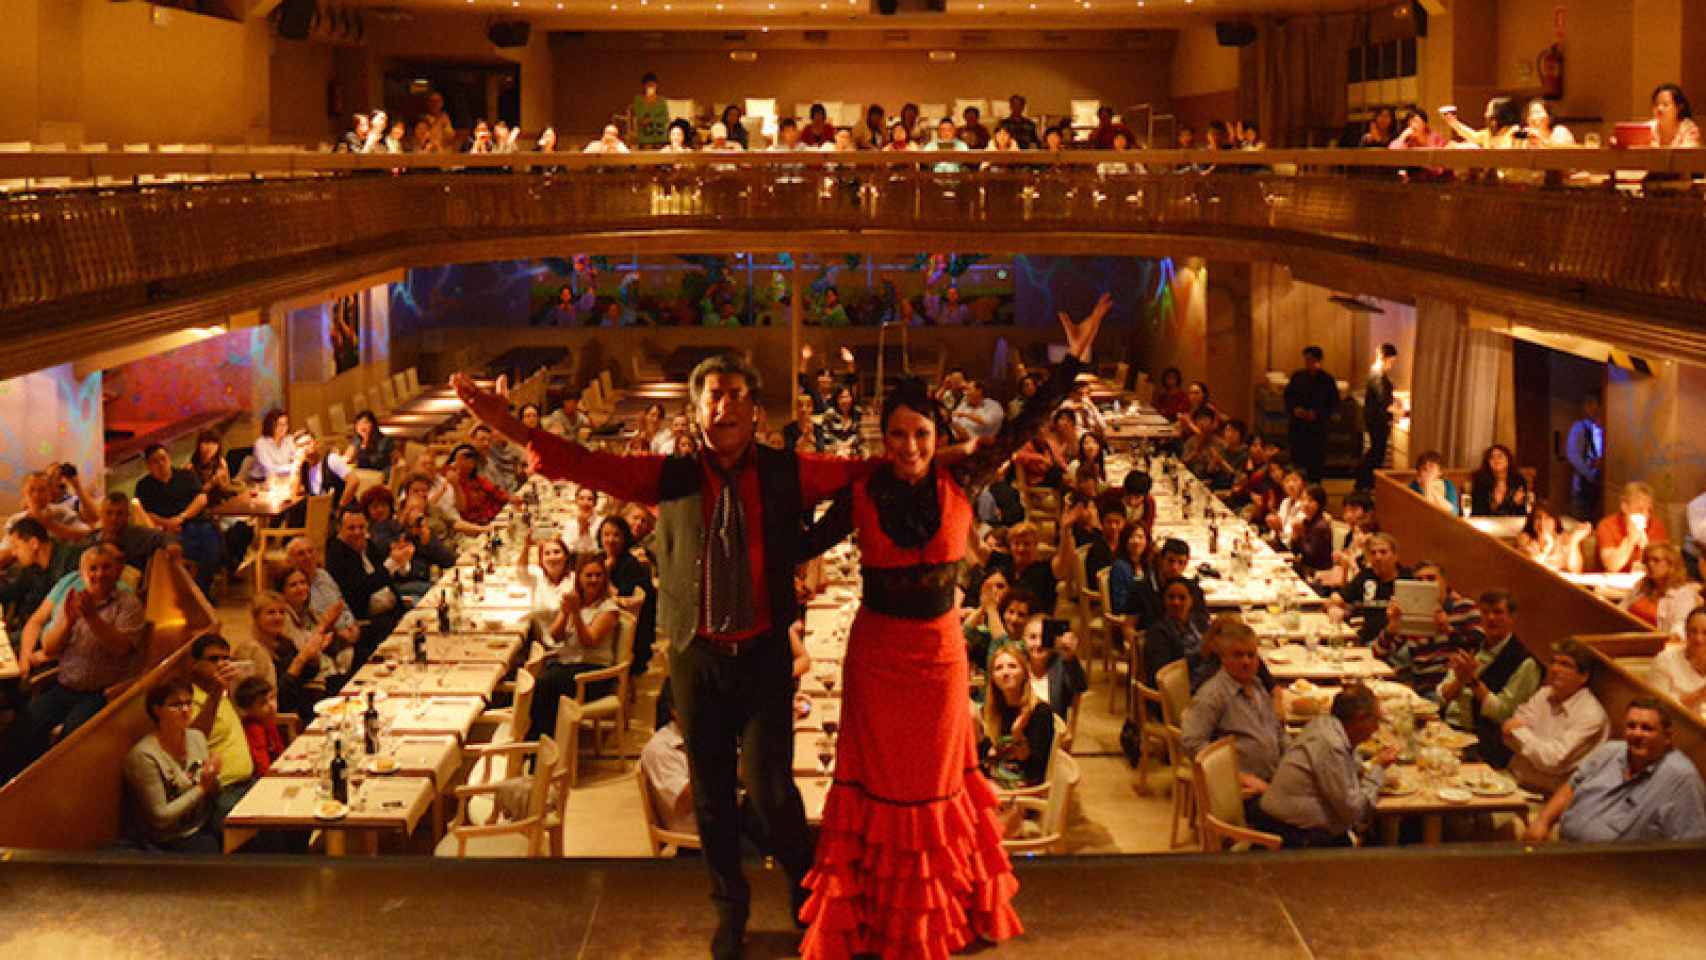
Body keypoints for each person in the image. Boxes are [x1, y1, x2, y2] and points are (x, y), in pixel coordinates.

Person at [454, 347, 898, 958]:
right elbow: (587, 465)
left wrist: (932, 456)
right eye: (714, 394)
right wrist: (509, 427)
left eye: (738, 394)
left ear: (755, 410)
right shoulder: (671, 476)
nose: (727, 404)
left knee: (770, 788)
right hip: (698, 657)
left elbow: (865, 474)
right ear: (696, 410)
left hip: (765, 654)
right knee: (712, 795)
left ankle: (806, 888)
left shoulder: (786, 471)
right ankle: (730, 908)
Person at [791, 302, 1105, 958]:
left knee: (933, 786)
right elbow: (804, 542)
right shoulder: (863, 491)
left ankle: (935, 919)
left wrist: (1072, 363)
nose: (909, 448)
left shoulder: (964, 477)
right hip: (875, 661)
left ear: (938, 439)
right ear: (884, 438)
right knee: (876, 785)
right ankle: (872, 920)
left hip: (936, 660)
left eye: (921, 437)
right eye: (899, 436)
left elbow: (1026, 425)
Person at [0, 545, 145, 781]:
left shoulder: (129, 605)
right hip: (64, 686)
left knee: (70, 743)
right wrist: (67, 621)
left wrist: (91, 617)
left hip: (101, 693)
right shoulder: (72, 599)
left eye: (106, 568)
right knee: (22, 729)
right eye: (93, 568)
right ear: (82, 573)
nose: (99, 574)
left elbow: (121, 648)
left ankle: (58, 788)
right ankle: (15, 788)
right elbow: (50, 647)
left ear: (117, 571)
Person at [1524, 698, 1706, 843]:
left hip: (1621, 874)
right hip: (1565, 848)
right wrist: (1543, 821)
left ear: (1667, 737)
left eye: (1647, 728)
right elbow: (1572, 786)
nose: (1637, 734)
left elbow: (1689, 847)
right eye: (1631, 726)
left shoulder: (1681, 778)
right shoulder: (1609, 751)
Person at [1257, 684, 1394, 847]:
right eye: (1375, 720)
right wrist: (1378, 769)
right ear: (1360, 718)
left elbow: (1350, 771)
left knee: (1371, 832)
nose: (1376, 728)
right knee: (1374, 840)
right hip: (1291, 836)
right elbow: (1354, 812)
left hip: (1292, 825)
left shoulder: (1325, 724)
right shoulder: (1331, 745)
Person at [1182, 622, 1286, 809]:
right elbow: (1193, 743)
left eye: (1251, 655)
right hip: (1241, 793)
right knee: (1312, 823)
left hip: (1273, 782)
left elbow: (1278, 733)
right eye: (1238, 655)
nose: (1246, 661)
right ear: (1223, 658)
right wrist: (1239, 777)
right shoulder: (1212, 695)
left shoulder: (1258, 686)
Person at [1439, 590, 1540, 767]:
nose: (1491, 618)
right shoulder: (1473, 646)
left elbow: (1503, 714)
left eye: (1498, 612)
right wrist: (1459, 681)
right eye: (1485, 612)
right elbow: (1442, 696)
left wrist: (1473, 681)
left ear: (1512, 617)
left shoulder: (1525, 662)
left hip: (1485, 746)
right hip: (1449, 731)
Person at [529, 554, 622, 742]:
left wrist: (577, 614)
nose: (594, 580)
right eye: (588, 576)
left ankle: (542, 745)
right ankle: (541, 741)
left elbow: (590, 641)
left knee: (545, 685)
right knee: (539, 682)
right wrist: (565, 613)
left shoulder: (608, 609)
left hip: (593, 674)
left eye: (598, 575)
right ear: (579, 578)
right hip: (570, 665)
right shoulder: (576, 601)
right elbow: (555, 636)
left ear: (605, 578)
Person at [122, 678, 221, 852]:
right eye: (175, 705)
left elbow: (211, 791)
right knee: (210, 849)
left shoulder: (196, 737)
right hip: (171, 837)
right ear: (157, 710)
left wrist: (213, 776)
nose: (185, 710)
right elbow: (160, 817)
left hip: (203, 821)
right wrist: (202, 787)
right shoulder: (144, 756)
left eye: (189, 703)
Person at [1501, 640, 1608, 793]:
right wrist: (1530, 744)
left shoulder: (1591, 715)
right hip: (1513, 780)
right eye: (1553, 662)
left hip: (1547, 798)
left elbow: (1552, 761)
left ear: (1584, 676)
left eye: (1565, 664)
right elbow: (1507, 735)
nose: (1555, 669)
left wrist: (1520, 733)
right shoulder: (1543, 694)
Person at [1371, 560, 1481, 700]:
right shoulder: (1409, 613)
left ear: (1444, 583)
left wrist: (1448, 630)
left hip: (1456, 687)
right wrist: (1392, 627)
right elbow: (1378, 653)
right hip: (1422, 689)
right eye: (1419, 580)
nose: (1425, 583)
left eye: (1431, 579)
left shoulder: (1465, 608)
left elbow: (1478, 647)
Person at [323, 508, 410, 664]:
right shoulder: (337, 554)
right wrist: (393, 563)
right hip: (370, 622)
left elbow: (386, 576)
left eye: (361, 527)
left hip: (394, 611)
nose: (357, 532)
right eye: (351, 528)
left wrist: (401, 560)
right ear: (339, 530)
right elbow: (362, 588)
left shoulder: (368, 544)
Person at [185, 633, 256, 824]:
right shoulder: (188, 699)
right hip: (223, 791)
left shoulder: (223, 692)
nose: (222, 664)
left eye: (226, 659)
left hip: (249, 781)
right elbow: (193, 740)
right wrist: (217, 691)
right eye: (213, 659)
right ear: (194, 663)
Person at [249, 588, 334, 723]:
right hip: (285, 719)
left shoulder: (285, 642)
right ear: (256, 618)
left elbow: (304, 677)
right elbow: (279, 699)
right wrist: (300, 660)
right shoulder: (254, 651)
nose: (278, 617)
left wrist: (313, 656)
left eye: (281, 612)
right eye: (271, 613)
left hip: (302, 705)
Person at [979, 644, 1055, 791]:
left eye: (1012, 666)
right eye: (999, 668)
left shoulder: (1039, 712)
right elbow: (983, 759)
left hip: (1024, 790)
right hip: (994, 784)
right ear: (993, 677)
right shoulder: (990, 711)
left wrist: (1018, 735)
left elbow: (1035, 772)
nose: (1005, 672)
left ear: (1024, 673)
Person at [1329, 532, 1410, 644]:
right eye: (1373, 553)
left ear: (1395, 556)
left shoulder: (1408, 578)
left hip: (1395, 642)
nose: (1378, 557)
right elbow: (1337, 597)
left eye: (1383, 552)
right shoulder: (1366, 576)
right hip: (1367, 639)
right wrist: (1336, 607)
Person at [1620, 542, 1699, 638]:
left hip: (1655, 645)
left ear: (1671, 565)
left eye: (1656, 560)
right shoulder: (1641, 586)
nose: (1650, 564)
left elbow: (1680, 628)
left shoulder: (1683, 594)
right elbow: (1620, 611)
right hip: (1626, 637)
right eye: (1647, 560)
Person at [1284, 346, 1337, 482]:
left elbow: (1333, 404)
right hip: (1298, 427)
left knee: (1316, 464)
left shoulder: (1327, 380)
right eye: (1306, 360)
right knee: (1297, 461)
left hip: (1317, 429)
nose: (1308, 363)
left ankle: (1314, 491)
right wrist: (1295, 409)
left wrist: (1317, 414)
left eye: (1311, 360)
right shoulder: (1297, 377)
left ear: (1318, 361)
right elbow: (1288, 397)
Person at [1597, 482, 1670, 574]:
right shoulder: (1607, 526)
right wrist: (1630, 539)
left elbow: (1664, 569)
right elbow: (1612, 566)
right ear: (1624, 506)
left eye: (1649, 511)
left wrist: (1647, 549)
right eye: (1640, 510)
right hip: (1615, 583)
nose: (1646, 515)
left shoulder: (1656, 526)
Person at [1020, 614, 1088, 713]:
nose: (1039, 643)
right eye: (1032, 637)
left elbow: (1079, 688)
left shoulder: (1061, 663)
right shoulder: (1017, 663)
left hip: (1054, 725)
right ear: (1024, 639)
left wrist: (1070, 658)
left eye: (1044, 638)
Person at [1356, 343, 1398, 491]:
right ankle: (1366, 483)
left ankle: (1366, 482)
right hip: (1377, 421)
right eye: (1391, 361)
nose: (1391, 365)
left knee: (1376, 451)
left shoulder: (1377, 374)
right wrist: (1397, 410)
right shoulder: (1377, 376)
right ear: (1383, 358)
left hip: (1376, 419)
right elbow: (1383, 400)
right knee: (1376, 453)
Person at [1651, 607, 1706, 718]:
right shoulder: (1665, 660)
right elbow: (1658, 712)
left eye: (1705, 633)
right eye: (1693, 631)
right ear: (1686, 633)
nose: (1699, 639)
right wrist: (1700, 694)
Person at [234, 677, 285, 777]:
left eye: (272, 698)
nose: (271, 705)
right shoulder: (253, 729)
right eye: (263, 703)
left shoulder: (268, 720)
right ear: (248, 710)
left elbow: (281, 753)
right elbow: (262, 768)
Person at [446, 443, 508, 526]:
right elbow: (462, 509)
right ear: (454, 463)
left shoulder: (477, 478)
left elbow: (497, 492)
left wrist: (510, 499)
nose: (470, 460)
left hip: (497, 517)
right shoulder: (452, 484)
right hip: (479, 527)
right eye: (464, 458)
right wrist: (455, 485)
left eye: (471, 457)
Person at [1518, 501, 1588, 573]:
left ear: (1555, 521)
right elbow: (1533, 568)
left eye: (1548, 518)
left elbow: (1576, 570)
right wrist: (1548, 546)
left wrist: (1574, 542)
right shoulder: (1525, 538)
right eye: (1538, 517)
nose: (1542, 522)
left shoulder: (1564, 537)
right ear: (1532, 521)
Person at [1565, 393, 1604, 520]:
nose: (1591, 408)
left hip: (1600, 485)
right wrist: (1590, 474)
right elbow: (1573, 456)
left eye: (1594, 404)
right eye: (1588, 404)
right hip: (1583, 486)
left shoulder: (1603, 428)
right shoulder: (1579, 427)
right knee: (1579, 521)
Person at [1470, 443, 1528, 516]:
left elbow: (1522, 511)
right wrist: (1512, 503)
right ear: (1488, 463)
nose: (1496, 460)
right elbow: (1478, 511)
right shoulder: (1481, 482)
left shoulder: (1518, 480)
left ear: (1508, 461)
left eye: (1500, 456)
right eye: (1492, 457)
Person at [251, 408, 302, 483]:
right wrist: (293, 466)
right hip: (261, 481)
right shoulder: (261, 443)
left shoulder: (289, 439)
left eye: (285, 424)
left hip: (283, 478)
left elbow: (297, 459)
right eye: (279, 424)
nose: (283, 428)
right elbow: (270, 469)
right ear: (270, 425)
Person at [1645, 82, 1701, 148]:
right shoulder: (1647, 128)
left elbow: (1687, 154)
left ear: (1679, 107)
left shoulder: (1689, 128)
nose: (1659, 108)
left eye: (1665, 104)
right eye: (1656, 104)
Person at [1408, 451, 1461, 517]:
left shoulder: (1447, 484)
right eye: (1423, 467)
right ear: (1419, 471)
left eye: (1431, 466)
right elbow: (1428, 512)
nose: (1427, 468)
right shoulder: (1414, 486)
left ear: (1440, 472)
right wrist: (1426, 486)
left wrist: (1428, 485)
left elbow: (1454, 512)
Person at [631, 72, 670, 149]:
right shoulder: (639, 100)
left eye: (653, 85)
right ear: (644, 86)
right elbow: (640, 118)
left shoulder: (662, 101)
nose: (651, 87)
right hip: (645, 135)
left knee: (661, 150)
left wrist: (652, 119)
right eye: (648, 85)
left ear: (656, 86)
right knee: (647, 149)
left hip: (660, 134)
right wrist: (648, 102)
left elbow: (665, 118)